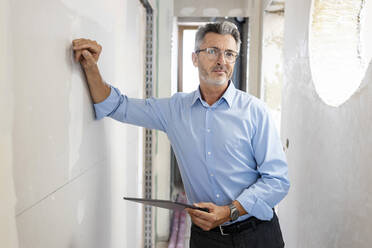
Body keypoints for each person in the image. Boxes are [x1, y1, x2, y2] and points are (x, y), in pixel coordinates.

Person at [72, 21, 290, 248]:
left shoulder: (256, 112)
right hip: (207, 238)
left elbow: (277, 181)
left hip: (257, 235)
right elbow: (117, 106)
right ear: (194, 58)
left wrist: (230, 211)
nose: (221, 61)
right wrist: (91, 67)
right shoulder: (175, 110)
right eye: (213, 51)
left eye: (229, 53)